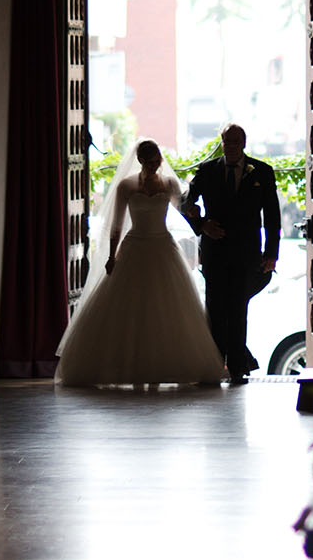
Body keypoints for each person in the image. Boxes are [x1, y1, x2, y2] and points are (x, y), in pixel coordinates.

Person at [55, 139, 223, 389]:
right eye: (150, 161)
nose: (156, 165)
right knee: (130, 309)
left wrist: (202, 221)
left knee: (164, 308)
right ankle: (129, 367)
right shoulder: (127, 185)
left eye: (158, 161)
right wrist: (112, 256)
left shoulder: (169, 183)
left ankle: (161, 368)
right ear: (141, 160)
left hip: (163, 247)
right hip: (134, 246)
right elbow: (117, 225)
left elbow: (186, 209)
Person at [181, 123, 280, 384]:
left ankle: (237, 368)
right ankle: (214, 366)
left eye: (236, 141)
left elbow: (272, 216)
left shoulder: (262, 171)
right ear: (221, 143)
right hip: (215, 253)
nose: (232, 146)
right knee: (215, 309)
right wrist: (202, 225)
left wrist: (271, 253)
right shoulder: (207, 170)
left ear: (244, 143)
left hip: (246, 253)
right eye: (227, 141)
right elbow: (185, 202)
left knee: (238, 309)